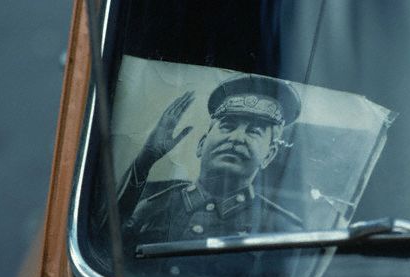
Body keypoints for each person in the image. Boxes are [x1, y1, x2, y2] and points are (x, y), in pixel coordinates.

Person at [116, 74, 303, 254]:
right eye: (227, 126)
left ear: (268, 156)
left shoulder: (283, 229)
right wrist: (145, 159)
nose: (237, 138)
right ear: (201, 145)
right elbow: (105, 243)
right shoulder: (151, 205)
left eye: (254, 132)